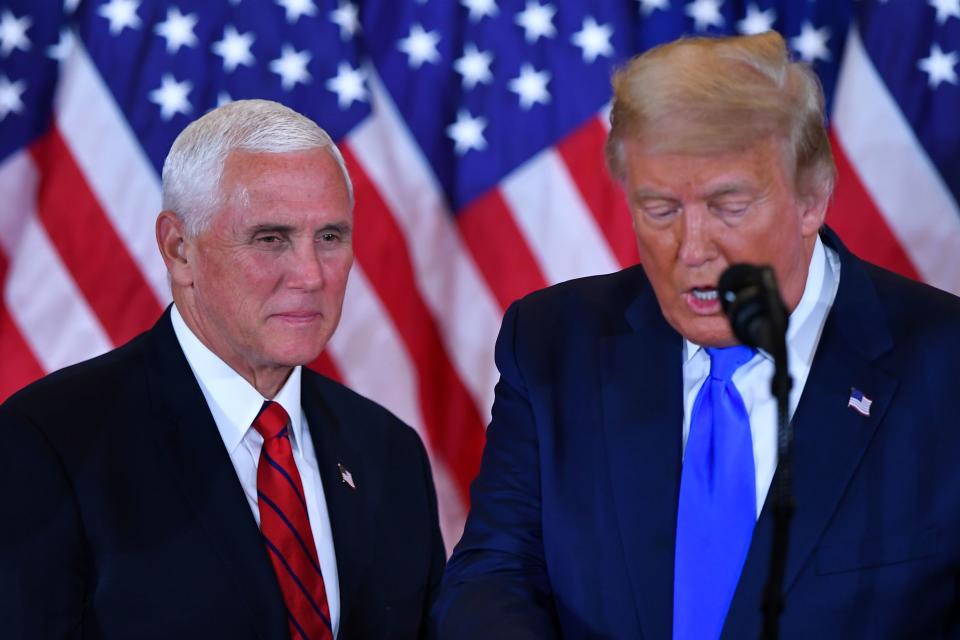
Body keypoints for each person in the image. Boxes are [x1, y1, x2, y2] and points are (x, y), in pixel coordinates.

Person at [433, 31, 960, 638]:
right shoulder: (554, 344)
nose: (692, 248)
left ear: (812, 197)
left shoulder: (943, 366)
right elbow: (495, 577)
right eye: (660, 209)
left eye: (728, 206)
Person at [0, 99, 444, 639]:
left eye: (329, 236)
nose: (309, 274)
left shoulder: (388, 450)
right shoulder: (51, 444)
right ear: (179, 248)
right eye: (270, 238)